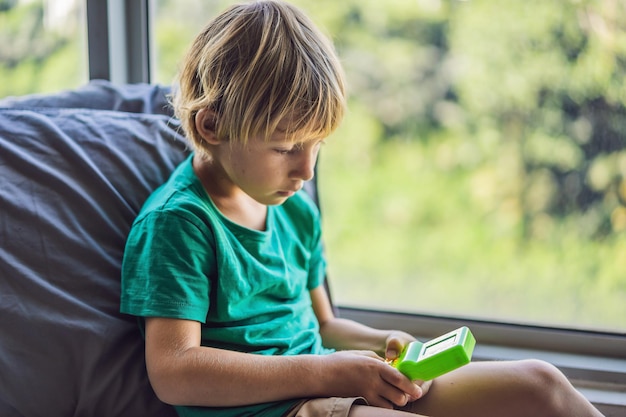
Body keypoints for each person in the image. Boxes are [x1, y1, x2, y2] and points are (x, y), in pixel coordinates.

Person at [120, 1, 606, 416]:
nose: (306, 170)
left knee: (541, 385)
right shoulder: (179, 224)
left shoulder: (294, 208)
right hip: (273, 408)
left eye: (317, 145)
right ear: (211, 127)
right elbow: (175, 372)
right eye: (286, 147)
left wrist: (379, 342)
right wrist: (328, 371)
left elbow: (324, 325)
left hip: (329, 384)